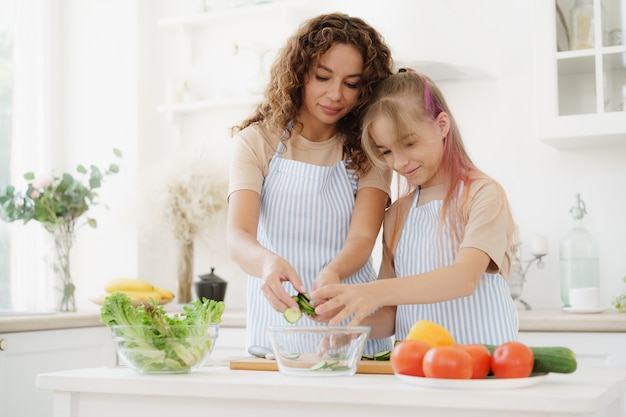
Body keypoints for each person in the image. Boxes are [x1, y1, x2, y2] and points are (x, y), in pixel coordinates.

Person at [226, 13, 394, 354]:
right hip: (274, 329)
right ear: (299, 72)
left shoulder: (369, 148)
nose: (335, 95)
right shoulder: (256, 141)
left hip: (351, 325)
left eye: (351, 83)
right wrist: (267, 263)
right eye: (322, 77)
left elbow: (363, 238)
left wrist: (332, 272)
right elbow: (238, 236)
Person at [312, 70, 519, 345]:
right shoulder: (397, 214)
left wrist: (374, 291)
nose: (398, 163)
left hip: (483, 370)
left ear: (442, 125)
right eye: (386, 151)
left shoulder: (482, 195)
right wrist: (349, 330)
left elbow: (464, 278)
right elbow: (392, 315)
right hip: (420, 371)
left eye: (409, 143)